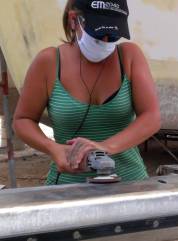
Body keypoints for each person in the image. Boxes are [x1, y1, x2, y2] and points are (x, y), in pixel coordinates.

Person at [12, 0, 160, 185]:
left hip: (129, 184)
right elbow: (23, 120)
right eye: (99, 34)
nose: (106, 41)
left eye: (113, 35)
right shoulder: (49, 62)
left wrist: (105, 147)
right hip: (67, 189)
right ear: (74, 20)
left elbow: (151, 116)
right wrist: (52, 148)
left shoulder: (129, 57)